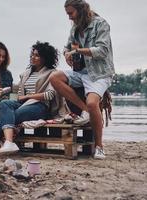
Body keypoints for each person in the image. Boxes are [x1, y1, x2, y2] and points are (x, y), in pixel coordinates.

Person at [0, 41, 62, 156]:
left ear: (45, 58)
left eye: (37, 55)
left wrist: (27, 96)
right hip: (24, 104)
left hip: (40, 106)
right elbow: (20, 95)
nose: (33, 57)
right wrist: (8, 96)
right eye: (32, 54)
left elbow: (49, 95)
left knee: (6, 117)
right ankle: (5, 143)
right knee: (5, 104)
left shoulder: (51, 73)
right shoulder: (26, 74)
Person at [50, 0, 115, 159]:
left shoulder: (101, 24)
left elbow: (102, 50)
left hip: (99, 73)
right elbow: (67, 46)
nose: (69, 18)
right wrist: (67, 53)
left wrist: (78, 51)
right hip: (80, 72)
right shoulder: (75, 28)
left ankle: (99, 146)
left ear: (81, 10)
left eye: (71, 13)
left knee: (93, 103)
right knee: (54, 77)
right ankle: (85, 111)